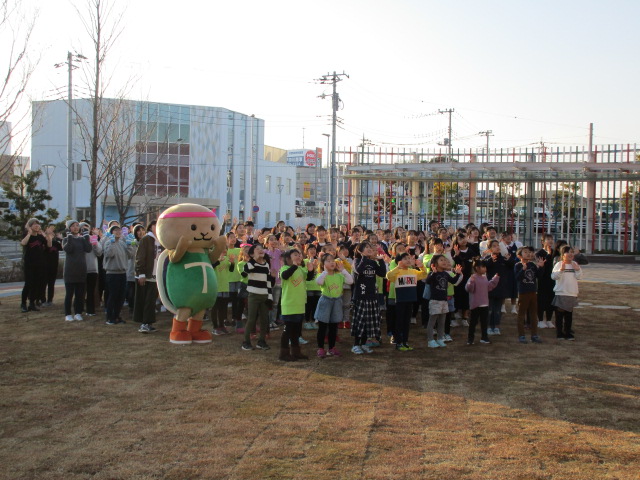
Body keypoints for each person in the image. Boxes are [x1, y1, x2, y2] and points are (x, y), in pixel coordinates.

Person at [350, 242, 387, 354]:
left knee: (369, 322)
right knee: (360, 321)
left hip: (372, 296)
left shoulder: (373, 262)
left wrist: (380, 260)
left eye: (370, 247)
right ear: (360, 251)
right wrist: (364, 257)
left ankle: (364, 343)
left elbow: (382, 273)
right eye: (366, 247)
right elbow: (359, 270)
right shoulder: (357, 261)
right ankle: (356, 344)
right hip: (361, 296)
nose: (370, 249)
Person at [279, 249, 316, 361]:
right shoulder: (284, 268)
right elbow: (285, 276)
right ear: (288, 258)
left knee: (297, 331)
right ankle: (284, 354)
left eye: (299, 255)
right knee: (288, 330)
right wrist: (294, 266)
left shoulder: (300, 269)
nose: (299, 256)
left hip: (300, 304)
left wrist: (310, 270)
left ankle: (296, 352)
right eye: (295, 255)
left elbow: (308, 277)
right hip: (289, 305)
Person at [386, 252, 427, 351]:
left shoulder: (413, 271)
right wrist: (397, 268)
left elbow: (424, 275)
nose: (408, 260)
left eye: (409, 258)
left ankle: (405, 342)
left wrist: (422, 267)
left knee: (406, 322)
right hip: (400, 300)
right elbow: (388, 276)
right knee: (399, 322)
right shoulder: (397, 272)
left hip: (410, 300)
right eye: (405, 259)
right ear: (399, 261)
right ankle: (398, 342)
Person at [315, 253, 354, 357]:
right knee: (322, 326)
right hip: (325, 301)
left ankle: (332, 348)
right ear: (323, 264)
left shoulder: (339, 275)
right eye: (328, 261)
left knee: (333, 326)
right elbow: (318, 282)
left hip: (337, 301)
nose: (331, 262)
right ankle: (321, 348)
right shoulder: (322, 275)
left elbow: (350, 281)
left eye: (332, 260)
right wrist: (325, 271)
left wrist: (343, 270)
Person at [241, 244, 274, 351]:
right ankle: (246, 342)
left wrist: (270, 297)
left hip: (264, 295)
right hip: (253, 295)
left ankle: (261, 341)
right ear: (251, 253)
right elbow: (245, 270)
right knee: (251, 318)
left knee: (264, 319)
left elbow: (268, 282)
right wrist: (254, 259)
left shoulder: (266, 265)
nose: (260, 250)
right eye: (257, 249)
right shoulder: (251, 263)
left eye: (261, 248)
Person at [426, 255, 463, 348]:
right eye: (441, 260)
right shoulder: (432, 273)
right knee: (432, 322)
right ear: (434, 264)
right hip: (435, 301)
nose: (444, 262)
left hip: (444, 301)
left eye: (445, 260)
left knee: (442, 321)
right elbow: (428, 281)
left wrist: (458, 273)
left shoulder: (446, 274)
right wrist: (433, 273)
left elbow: (454, 281)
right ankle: (430, 340)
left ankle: (440, 338)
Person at [134, 221, 163, 333]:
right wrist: (141, 273)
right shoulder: (146, 239)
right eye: (156, 225)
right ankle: (144, 323)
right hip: (146, 275)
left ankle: (148, 322)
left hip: (156, 275)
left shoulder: (160, 240)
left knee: (151, 301)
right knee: (145, 300)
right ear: (151, 227)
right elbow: (140, 257)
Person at [484, 239, 516, 335]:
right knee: (490, 309)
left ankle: (496, 326)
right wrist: (490, 259)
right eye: (494, 246)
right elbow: (483, 266)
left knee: (498, 310)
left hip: (501, 287)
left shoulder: (503, 258)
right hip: (490, 288)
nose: (497, 247)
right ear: (489, 249)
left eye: (498, 245)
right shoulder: (488, 259)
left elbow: (512, 265)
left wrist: (509, 258)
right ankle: (489, 326)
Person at [103, 225, 134, 325]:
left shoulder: (122, 243)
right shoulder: (108, 242)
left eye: (119, 230)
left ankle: (117, 316)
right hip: (112, 273)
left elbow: (130, 255)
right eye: (115, 230)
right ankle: (110, 317)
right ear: (111, 232)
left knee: (121, 297)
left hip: (122, 273)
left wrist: (129, 245)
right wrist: (112, 242)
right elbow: (109, 254)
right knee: (113, 295)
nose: (118, 232)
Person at [62, 220, 92, 321]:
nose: (76, 228)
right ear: (69, 228)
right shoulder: (66, 239)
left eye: (77, 226)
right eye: (73, 226)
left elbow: (88, 249)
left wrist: (87, 236)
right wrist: (70, 237)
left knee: (80, 294)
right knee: (69, 294)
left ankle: (78, 312)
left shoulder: (82, 239)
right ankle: (68, 314)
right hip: (70, 271)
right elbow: (68, 249)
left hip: (81, 270)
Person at [514, 246, 545, 344]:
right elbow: (517, 278)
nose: (528, 254)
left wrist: (540, 267)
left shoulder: (532, 264)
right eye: (525, 252)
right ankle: (521, 335)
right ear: (519, 256)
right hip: (523, 293)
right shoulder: (518, 265)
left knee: (533, 314)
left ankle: (534, 335)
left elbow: (539, 276)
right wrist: (523, 269)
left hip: (533, 292)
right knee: (521, 314)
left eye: (530, 252)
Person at [551, 245, 582, 341]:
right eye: (567, 252)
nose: (570, 254)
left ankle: (568, 332)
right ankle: (559, 332)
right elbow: (553, 276)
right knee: (559, 314)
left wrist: (577, 269)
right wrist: (561, 270)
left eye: (572, 252)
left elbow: (579, 277)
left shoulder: (575, 264)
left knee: (569, 314)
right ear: (562, 254)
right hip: (561, 292)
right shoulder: (559, 264)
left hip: (571, 293)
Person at [465, 258, 499, 345]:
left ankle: (484, 337)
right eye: (483, 267)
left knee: (484, 322)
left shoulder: (484, 277)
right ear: (477, 268)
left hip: (484, 304)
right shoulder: (473, 277)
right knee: (473, 322)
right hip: (475, 304)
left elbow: (488, 287)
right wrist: (471, 282)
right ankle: (470, 339)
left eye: (485, 267)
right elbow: (469, 289)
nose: (485, 269)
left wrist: (495, 279)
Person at [20, 218, 50, 312]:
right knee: (28, 284)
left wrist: (48, 236)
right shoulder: (26, 235)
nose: (37, 226)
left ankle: (32, 303)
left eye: (38, 224)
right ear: (30, 226)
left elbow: (49, 245)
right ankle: (23, 303)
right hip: (29, 264)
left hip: (39, 264)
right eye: (34, 224)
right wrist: (29, 233)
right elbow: (23, 243)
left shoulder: (40, 237)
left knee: (36, 284)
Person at [82, 223, 103, 317]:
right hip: (80, 269)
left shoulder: (92, 238)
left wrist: (95, 241)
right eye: (82, 228)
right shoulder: (78, 238)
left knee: (91, 291)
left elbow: (99, 252)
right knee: (80, 291)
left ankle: (91, 310)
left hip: (92, 269)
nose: (85, 230)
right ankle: (79, 309)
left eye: (86, 229)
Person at [536, 234, 556, 329]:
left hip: (552, 279)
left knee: (551, 299)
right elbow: (543, 264)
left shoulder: (554, 252)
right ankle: (540, 320)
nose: (551, 241)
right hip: (542, 279)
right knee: (541, 300)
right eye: (548, 239)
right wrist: (548, 254)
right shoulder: (539, 253)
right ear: (542, 242)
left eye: (551, 239)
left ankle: (548, 320)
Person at [41, 225, 62, 307]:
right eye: (49, 233)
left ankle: (50, 300)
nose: (51, 234)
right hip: (44, 266)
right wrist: (46, 236)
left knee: (51, 284)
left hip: (54, 266)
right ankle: (42, 300)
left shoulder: (56, 243)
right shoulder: (44, 243)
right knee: (43, 284)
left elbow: (63, 247)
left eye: (52, 233)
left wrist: (60, 238)